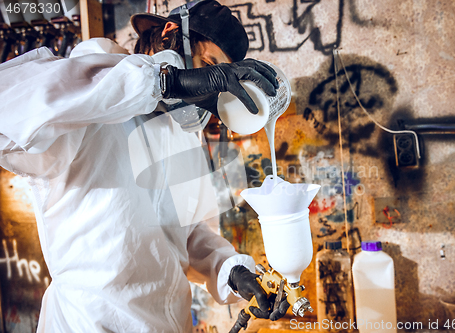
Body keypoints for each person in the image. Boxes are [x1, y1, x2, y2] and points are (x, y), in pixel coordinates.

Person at [0, 0, 289, 331]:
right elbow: (7, 106)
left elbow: (185, 231)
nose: (209, 87)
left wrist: (229, 269)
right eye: (208, 65)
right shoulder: (90, 90)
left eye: (218, 81)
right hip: (91, 323)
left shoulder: (182, 132)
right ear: (170, 33)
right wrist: (165, 82)